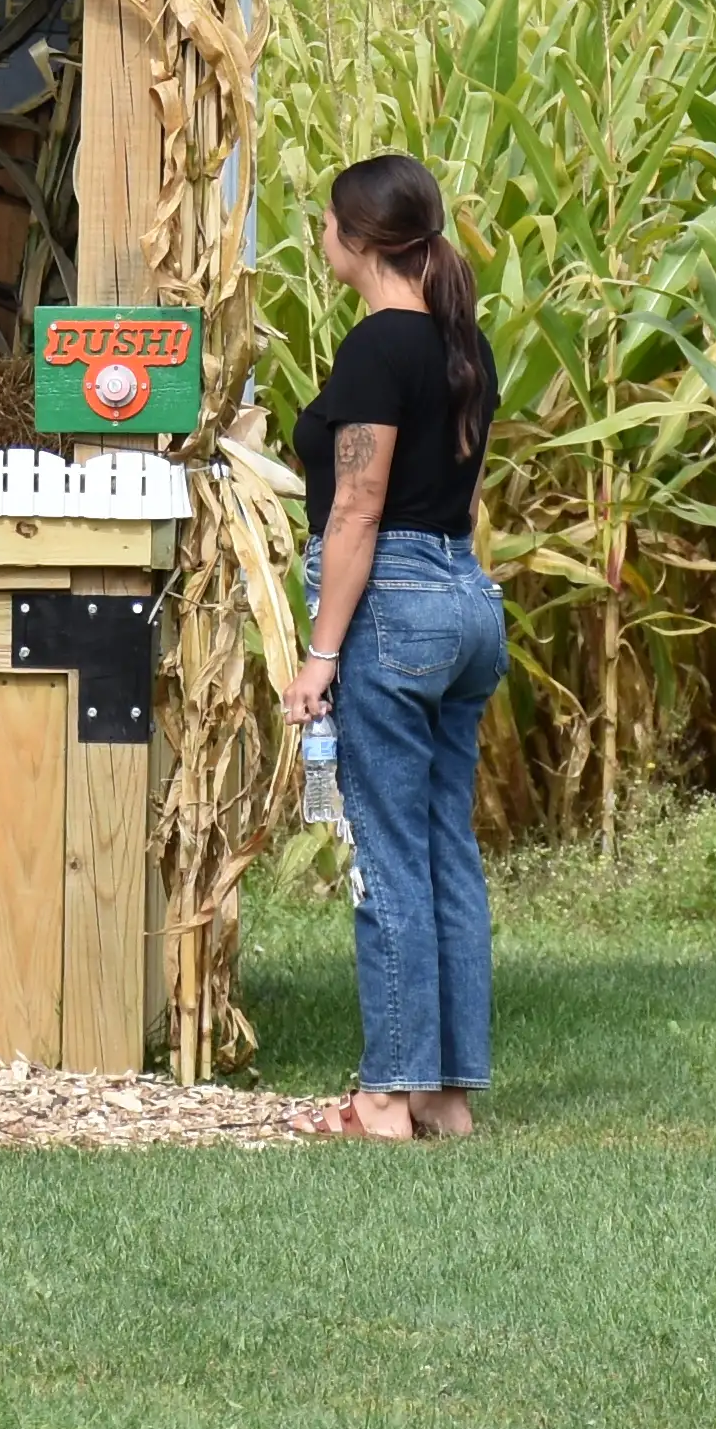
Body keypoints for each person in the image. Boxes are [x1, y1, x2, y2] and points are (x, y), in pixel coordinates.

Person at [283, 151, 507, 1143]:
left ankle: (384, 1096)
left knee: (387, 856)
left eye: (325, 221)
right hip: (466, 598)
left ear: (354, 238)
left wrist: (322, 651)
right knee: (445, 847)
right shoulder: (466, 341)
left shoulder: (379, 346)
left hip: (396, 607)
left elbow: (361, 507)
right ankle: (445, 1096)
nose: (320, 234)